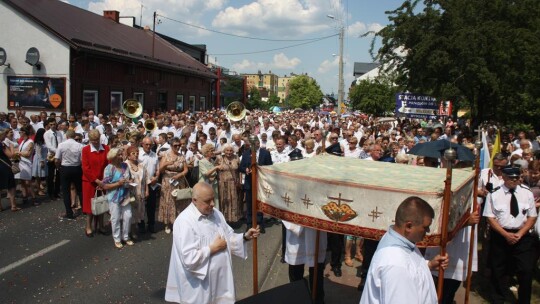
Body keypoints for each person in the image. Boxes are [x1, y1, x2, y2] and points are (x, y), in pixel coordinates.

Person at [164, 182, 260, 304]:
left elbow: (227, 237)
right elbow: (188, 258)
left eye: (213, 199)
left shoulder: (216, 214)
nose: (212, 204)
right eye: (207, 201)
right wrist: (212, 249)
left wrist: (245, 237)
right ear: (194, 200)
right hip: (200, 287)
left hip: (221, 282)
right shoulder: (184, 222)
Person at [360, 196, 449, 304]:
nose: (428, 231)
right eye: (425, 227)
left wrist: (429, 265)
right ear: (409, 226)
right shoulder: (396, 265)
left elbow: (409, 266)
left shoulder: (399, 238)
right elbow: (402, 269)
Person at [483, 165, 537, 304]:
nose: (514, 180)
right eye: (511, 178)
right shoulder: (494, 194)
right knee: (498, 270)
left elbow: (532, 217)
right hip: (501, 235)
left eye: (517, 178)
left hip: (522, 236)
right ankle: (498, 298)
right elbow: (490, 217)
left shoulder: (527, 193)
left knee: (526, 270)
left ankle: (524, 300)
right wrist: (505, 234)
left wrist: (520, 233)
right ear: (504, 177)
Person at [239, 136, 272, 233]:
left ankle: (260, 223)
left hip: (261, 183)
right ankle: (249, 224)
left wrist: (261, 170)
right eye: (252, 142)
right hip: (249, 182)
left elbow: (269, 166)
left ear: (258, 142)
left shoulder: (265, 153)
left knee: (260, 203)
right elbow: (241, 167)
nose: (254, 144)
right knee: (249, 204)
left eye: (256, 142)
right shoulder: (245, 153)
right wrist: (246, 169)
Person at [102, 147, 133, 249]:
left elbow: (130, 178)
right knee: (115, 218)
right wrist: (118, 184)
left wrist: (129, 181)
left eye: (121, 154)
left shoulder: (125, 166)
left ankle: (126, 236)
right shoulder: (109, 168)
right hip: (114, 197)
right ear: (113, 157)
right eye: (119, 155)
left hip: (125, 195)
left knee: (128, 216)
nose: (121, 157)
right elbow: (105, 185)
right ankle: (117, 239)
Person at [81, 130, 110, 237]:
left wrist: (104, 180)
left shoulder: (106, 148)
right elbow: (85, 168)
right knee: (90, 206)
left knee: (102, 203)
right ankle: (88, 226)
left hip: (103, 180)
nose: (95, 142)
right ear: (89, 139)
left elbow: (109, 165)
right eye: (93, 140)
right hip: (89, 182)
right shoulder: (85, 150)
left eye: (97, 139)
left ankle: (101, 225)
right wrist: (96, 181)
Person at [158, 137, 190, 234]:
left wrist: (179, 175)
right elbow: (161, 170)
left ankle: (178, 223)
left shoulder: (181, 156)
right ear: (171, 146)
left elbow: (186, 169)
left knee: (179, 201)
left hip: (179, 180)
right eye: (175, 145)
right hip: (168, 180)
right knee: (168, 201)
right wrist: (167, 163)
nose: (177, 147)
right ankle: (167, 223)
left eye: (179, 145)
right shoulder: (165, 155)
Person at [55, 130, 83, 220]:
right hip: (76, 167)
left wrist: (58, 167)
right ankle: (84, 209)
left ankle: (69, 212)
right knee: (80, 190)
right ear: (74, 136)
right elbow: (82, 159)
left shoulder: (61, 145)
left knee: (66, 191)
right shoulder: (80, 145)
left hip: (65, 168)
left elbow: (56, 159)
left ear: (66, 136)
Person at [214, 144, 242, 224]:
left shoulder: (236, 157)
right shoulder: (219, 158)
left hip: (234, 183)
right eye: (227, 150)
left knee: (234, 201)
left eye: (231, 150)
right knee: (224, 201)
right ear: (224, 151)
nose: (229, 152)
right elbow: (214, 169)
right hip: (223, 183)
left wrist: (240, 181)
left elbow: (239, 171)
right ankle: (224, 220)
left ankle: (234, 219)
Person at [125, 145, 148, 238]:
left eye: (137, 153)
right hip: (129, 193)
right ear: (128, 155)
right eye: (133, 153)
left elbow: (146, 179)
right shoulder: (125, 165)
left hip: (140, 192)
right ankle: (127, 232)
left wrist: (147, 190)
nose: (136, 155)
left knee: (137, 213)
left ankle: (134, 231)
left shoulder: (141, 165)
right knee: (129, 213)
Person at [139, 137, 160, 233]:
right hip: (141, 184)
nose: (148, 146)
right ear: (142, 144)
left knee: (151, 206)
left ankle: (151, 224)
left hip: (152, 184)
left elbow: (157, 169)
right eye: (146, 144)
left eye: (150, 145)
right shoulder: (138, 154)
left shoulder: (154, 155)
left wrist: (156, 177)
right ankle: (141, 224)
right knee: (141, 205)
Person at [16, 125, 38, 206]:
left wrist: (18, 153)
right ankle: (25, 197)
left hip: (27, 163)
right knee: (22, 182)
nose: (19, 133)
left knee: (28, 182)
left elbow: (28, 153)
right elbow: (20, 151)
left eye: (20, 132)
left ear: (24, 132)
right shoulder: (22, 141)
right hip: (21, 162)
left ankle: (33, 198)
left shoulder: (30, 142)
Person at [0, 129, 19, 211]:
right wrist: (11, 147)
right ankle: (13, 205)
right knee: (11, 186)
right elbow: (10, 155)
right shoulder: (2, 145)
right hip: (5, 166)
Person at [198, 143, 221, 208]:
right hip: (205, 184)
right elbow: (206, 173)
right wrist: (216, 167)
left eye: (213, 150)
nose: (213, 152)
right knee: (206, 200)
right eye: (211, 151)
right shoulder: (201, 161)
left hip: (213, 184)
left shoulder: (212, 161)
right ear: (207, 152)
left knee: (214, 201)